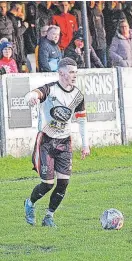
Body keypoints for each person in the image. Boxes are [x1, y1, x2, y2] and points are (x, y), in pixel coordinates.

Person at [23, 57, 90, 227]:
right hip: (46, 141)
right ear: (61, 73)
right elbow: (33, 94)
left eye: (76, 72)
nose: (75, 75)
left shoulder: (78, 95)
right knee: (47, 184)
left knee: (63, 183)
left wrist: (85, 144)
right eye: (71, 72)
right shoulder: (51, 89)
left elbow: (82, 120)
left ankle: (49, 216)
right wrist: (31, 98)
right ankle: (29, 204)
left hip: (65, 142)